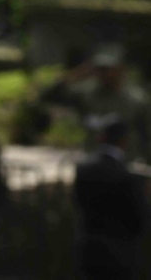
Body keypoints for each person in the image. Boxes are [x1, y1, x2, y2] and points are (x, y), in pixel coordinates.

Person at [74, 117, 150, 279]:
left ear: (101, 138)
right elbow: (141, 218)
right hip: (121, 253)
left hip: (89, 249)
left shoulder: (83, 170)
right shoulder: (129, 177)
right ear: (125, 141)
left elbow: (77, 203)